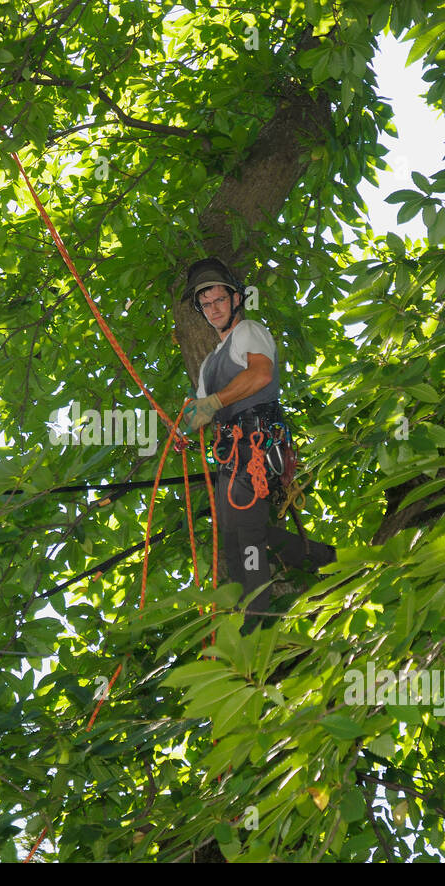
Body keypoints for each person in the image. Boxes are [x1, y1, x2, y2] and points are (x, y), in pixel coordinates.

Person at [180, 256, 335, 632]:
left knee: (245, 536)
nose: (213, 309)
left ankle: (258, 624)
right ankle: (329, 560)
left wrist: (215, 403)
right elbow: (197, 411)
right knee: (235, 539)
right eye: (206, 304)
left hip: (256, 445)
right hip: (232, 455)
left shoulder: (248, 330)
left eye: (219, 300)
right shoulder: (209, 364)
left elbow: (261, 375)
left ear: (235, 300)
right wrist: (185, 429)